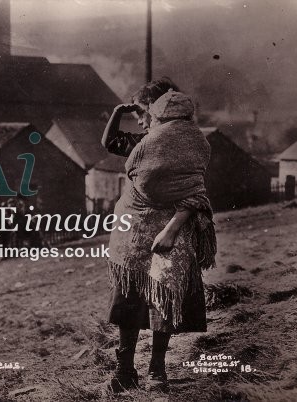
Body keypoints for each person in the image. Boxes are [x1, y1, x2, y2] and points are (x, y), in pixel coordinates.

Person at [101, 81, 217, 393]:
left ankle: (157, 370)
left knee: (163, 298)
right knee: (129, 297)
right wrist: (117, 112)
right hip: (135, 233)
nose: (140, 118)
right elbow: (111, 142)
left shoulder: (187, 144)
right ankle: (124, 369)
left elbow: (195, 193)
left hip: (168, 236)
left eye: (142, 112)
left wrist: (171, 228)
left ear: (158, 110)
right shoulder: (144, 142)